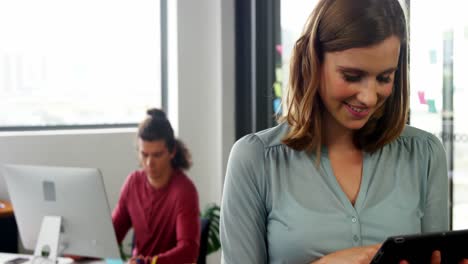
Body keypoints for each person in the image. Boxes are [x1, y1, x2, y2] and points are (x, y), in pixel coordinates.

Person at [220, 0, 468, 263]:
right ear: (313, 62)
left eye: (384, 78)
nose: (369, 97)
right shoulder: (255, 160)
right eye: (351, 76)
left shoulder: (425, 154)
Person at [112, 108, 200, 264]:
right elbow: (111, 236)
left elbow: (188, 251)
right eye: (144, 154)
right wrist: (83, 252)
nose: (149, 163)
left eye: (157, 155)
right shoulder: (133, 183)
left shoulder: (184, 191)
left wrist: (149, 262)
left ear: (172, 151)